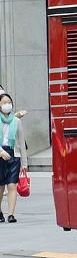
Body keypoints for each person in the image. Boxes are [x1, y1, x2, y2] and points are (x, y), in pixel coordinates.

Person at [0, 92, 27, 223]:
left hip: (14, 155)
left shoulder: (17, 121)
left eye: (9, 102)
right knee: (0, 186)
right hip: (0, 154)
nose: (7, 105)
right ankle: (0, 211)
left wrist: (24, 164)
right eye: (4, 103)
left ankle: (11, 214)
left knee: (12, 185)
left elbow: (22, 143)